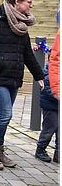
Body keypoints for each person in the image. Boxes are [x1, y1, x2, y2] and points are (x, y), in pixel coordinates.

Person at [0, 0, 45, 170]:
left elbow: (27, 53)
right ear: (17, 2)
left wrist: (39, 75)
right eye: (28, 2)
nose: (31, 5)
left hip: (13, 77)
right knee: (5, 115)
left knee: (4, 116)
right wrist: (0, 63)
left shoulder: (20, 24)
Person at [36, 30, 59, 163]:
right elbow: (48, 88)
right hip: (51, 106)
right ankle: (41, 149)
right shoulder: (50, 72)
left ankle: (58, 153)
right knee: (49, 129)